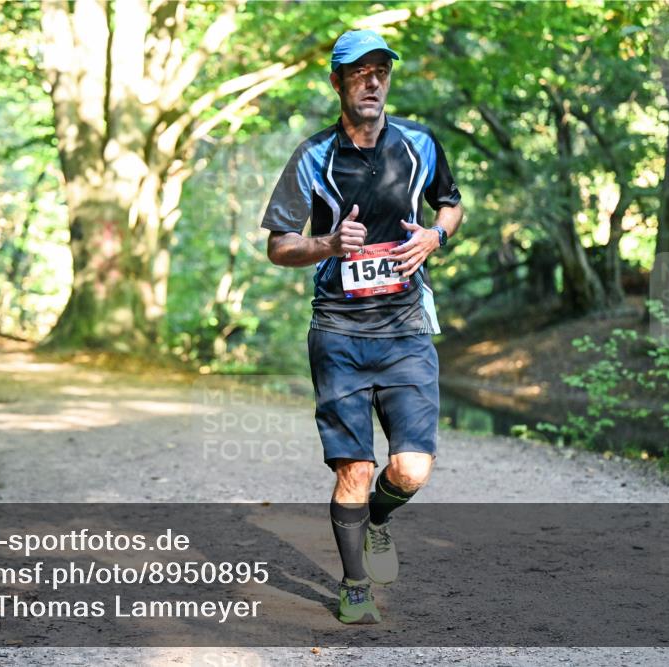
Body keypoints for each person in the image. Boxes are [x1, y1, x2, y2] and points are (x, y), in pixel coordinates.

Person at [261, 29, 465, 624]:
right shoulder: (311, 156)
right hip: (339, 331)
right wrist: (325, 244)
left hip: (404, 329)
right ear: (338, 83)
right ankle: (354, 586)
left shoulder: (420, 146)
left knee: (411, 469)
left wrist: (435, 235)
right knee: (354, 465)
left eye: (381, 71)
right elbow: (279, 246)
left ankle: (379, 517)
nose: (372, 81)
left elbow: (449, 203)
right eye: (359, 72)